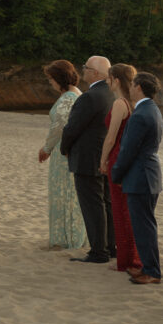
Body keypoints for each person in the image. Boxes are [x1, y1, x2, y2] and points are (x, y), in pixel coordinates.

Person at [60, 56, 116, 263]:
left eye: (86, 67)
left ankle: (98, 251)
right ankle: (111, 246)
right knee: (106, 203)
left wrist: (64, 149)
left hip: (87, 158)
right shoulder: (112, 94)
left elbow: (72, 128)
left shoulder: (89, 97)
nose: (83, 70)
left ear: (95, 73)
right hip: (105, 157)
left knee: (92, 205)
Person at [110, 72, 163, 285]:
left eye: (132, 84)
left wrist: (117, 173)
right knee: (145, 224)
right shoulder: (153, 109)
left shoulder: (141, 114)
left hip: (141, 176)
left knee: (143, 226)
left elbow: (128, 150)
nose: (130, 87)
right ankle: (149, 268)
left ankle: (151, 270)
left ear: (139, 87)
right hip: (149, 174)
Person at [37, 60, 86, 250]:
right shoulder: (77, 94)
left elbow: (59, 127)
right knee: (71, 194)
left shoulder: (68, 98)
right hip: (69, 150)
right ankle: (74, 236)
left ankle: (65, 238)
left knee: (64, 193)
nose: (50, 82)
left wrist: (46, 149)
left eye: (51, 79)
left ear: (59, 78)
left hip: (62, 153)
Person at [99, 63, 142, 275]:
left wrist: (103, 160)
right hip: (130, 159)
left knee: (121, 210)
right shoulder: (136, 102)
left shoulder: (120, 104)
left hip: (117, 157)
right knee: (128, 208)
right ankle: (131, 257)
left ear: (116, 80)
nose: (107, 82)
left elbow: (110, 137)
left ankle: (127, 260)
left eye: (109, 78)